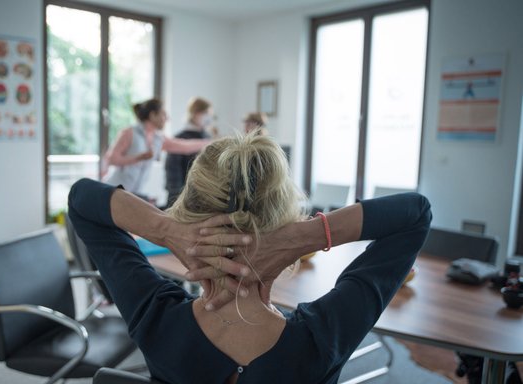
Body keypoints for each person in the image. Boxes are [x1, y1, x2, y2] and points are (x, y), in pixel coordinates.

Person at [68, 133, 432, 383]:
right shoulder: (325, 337)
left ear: (189, 213)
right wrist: (304, 237)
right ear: (283, 220)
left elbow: (83, 200)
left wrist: (167, 230)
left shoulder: (154, 317)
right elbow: (414, 214)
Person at [102, 98, 211, 200]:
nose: (167, 118)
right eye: (163, 114)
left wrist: (210, 142)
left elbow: (185, 147)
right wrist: (138, 157)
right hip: (113, 191)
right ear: (152, 115)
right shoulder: (130, 133)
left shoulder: (158, 139)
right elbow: (111, 159)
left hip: (132, 195)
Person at [164, 97, 215, 207]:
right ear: (195, 113)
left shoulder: (208, 137)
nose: (208, 118)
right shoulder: (180, 138)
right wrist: (177, 196)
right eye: (205, 113)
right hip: (181, 195)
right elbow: (172, 171)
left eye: (209, 114)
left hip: (204, 195)